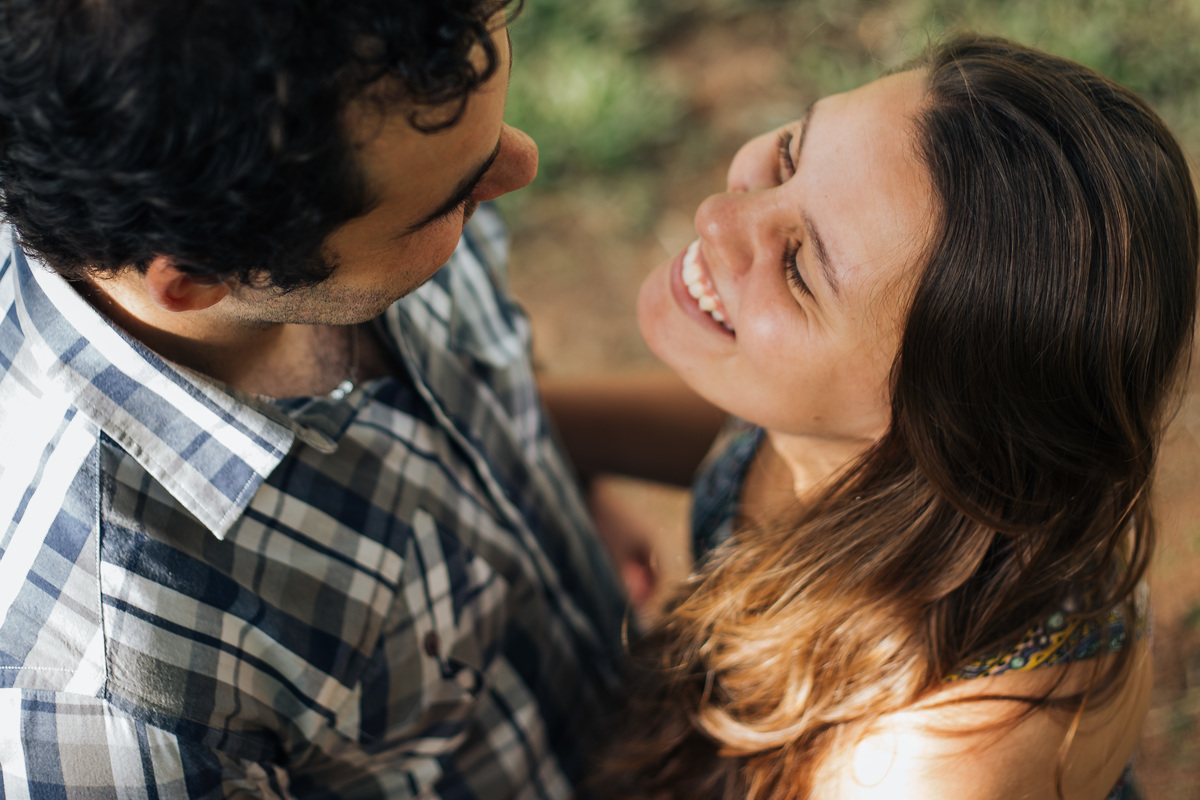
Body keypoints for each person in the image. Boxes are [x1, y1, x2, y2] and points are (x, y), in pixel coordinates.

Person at [0, 1, 626, 797]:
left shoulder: (370, 152)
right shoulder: (120, 708)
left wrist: (557, 482)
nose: (522, 167)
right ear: (195, 280)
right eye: (453, 203)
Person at [597, 35, 1198, 800]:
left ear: (936, 430)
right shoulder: (850, 425)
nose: (718, 215)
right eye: (791, 154)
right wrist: (528, 425)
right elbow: (732, 435)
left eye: (799, 268)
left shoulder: (936, 763)